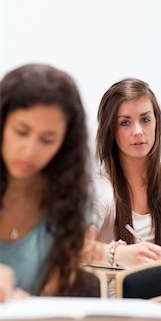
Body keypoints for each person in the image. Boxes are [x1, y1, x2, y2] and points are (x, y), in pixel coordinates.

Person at [0, 64, 99, 296]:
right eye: (21, 132)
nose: (29, 151)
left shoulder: (72, 198)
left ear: (64, 143)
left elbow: (53, 293)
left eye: (47, 140)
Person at [84, 78, 161, 268]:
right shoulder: (99, 188)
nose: (138, 131)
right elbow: (74, 248)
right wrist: (118, 253)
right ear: (110, 130)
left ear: (156, 122)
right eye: (125, 123)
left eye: (145, 119)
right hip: (113, 296)